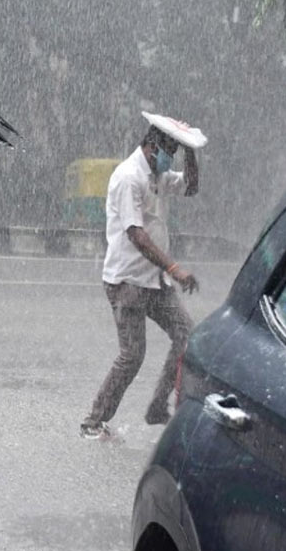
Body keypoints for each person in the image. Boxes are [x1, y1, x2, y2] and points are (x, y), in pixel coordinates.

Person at [80, 124, 199, 439]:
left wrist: (190, 151)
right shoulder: (128, 176)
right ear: (151, 147)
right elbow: (136, 235)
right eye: (168, 154)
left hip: (155, 281)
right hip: (127, 281)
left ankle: (158, 406)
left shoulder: (156, 175)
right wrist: (174, 267)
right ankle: (92, 421)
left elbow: (190, 186)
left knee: (187, 335)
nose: (169, 162)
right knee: (132, 355)